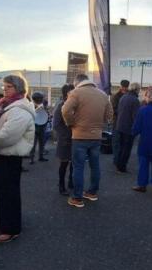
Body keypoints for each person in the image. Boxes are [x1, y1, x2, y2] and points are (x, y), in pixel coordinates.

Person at [0, 75, 35, 243]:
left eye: (9, 86)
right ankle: (5, 221)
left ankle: (11, 228)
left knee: (8, 193)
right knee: (3, 192)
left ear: (18, 88)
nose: (5, 90)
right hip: (4, 154)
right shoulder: (10, 105)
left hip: (9, 155)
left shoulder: (19, 110)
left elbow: (6, 137)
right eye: (4, 87)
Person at [62, 73, 113, 208]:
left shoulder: (76, 93)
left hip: (79, 136)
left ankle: (77, 198)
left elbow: (65, 110)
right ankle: (92, 192)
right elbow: (109, 115)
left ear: (77, 82)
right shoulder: (102, 95)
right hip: (96, 136)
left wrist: (71, 123)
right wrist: (99, 124)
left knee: (78, 167)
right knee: (95, 165)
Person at [114, 82, 141, 173]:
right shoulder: (135, 100)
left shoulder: (123, 97)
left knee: (121, 147)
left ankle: (118, 165)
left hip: (119, 126)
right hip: (129, 128)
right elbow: (136, 116)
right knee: (127, 148)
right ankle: (122, 167)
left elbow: (118, 111)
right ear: (137, 89)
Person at [53, 84, 75, 195]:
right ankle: (61, 186)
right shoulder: (61, 106)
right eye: (72, 92)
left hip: (75, 139)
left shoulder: (76, 105)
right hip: (65, 140)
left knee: (73, 164)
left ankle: (71, 182)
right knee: (64, 164)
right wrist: (66, 136)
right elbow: (56, 124)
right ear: (66, 93)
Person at [111, 80, 130, 165]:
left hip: (121, 122)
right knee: (117, 143)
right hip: (118, 122)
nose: (125, 88)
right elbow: (113, 109)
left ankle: (119, 160)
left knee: (121, 143)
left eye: (126, 87)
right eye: (124, 87)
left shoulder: (117, 96)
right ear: (121, 86)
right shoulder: (116, 96)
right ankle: (117, 160)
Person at [30, 91, 50, 163]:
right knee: (33, 144)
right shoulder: (31, 105)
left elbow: (47, 114)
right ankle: (32, 158)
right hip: (34, 127)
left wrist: (45, 109)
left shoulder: (43, 105)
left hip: (42, 126)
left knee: (41, 143)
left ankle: (40, 157)